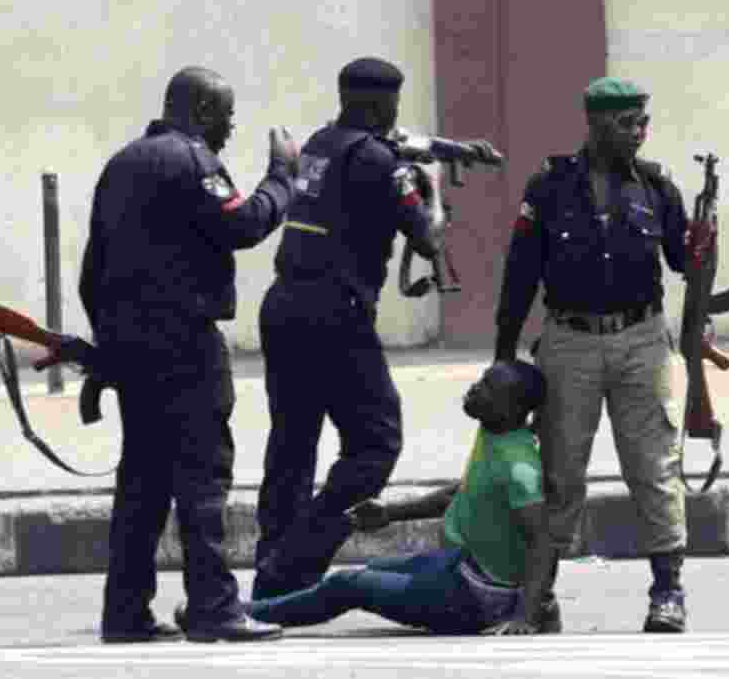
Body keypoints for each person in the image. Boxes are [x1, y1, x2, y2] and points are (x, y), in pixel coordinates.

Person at [78, 65, 299, 643]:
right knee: (202, 479)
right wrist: (283, 175)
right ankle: (214, 609)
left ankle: (124, 614)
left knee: (142, 483)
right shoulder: (191, 160)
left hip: (132, 346)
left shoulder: (121, 164)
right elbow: (245, 224)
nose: (229, 129)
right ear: (201, 111)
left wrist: (110, 347)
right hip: (184, 345)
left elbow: (91, 271)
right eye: (225, 116)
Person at [493, 76, 715, 633]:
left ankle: (668, 592)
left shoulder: (658, 187)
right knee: (560, 472)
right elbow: (520, 273)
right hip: (568, 342)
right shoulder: (549, 187)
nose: (639, 133)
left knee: (653, 468)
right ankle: (541, 595)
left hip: (642, 339)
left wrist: (703, 252)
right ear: (593, 124)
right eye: (626, 124)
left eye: (643, 122)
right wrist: (503, 352)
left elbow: (686, 268)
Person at [248, 57, 451, 600]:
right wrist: (433, 188)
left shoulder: (321, 143)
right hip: (335, 312)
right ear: (383, 104)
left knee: (292, 444)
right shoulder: (382, 162)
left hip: (285, 304)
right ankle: (294, 564)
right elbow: (429, 239)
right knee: (375, 443)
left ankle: (272, 562)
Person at [183, 360, 555, 635]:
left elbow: (542, 540)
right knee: (372, 572)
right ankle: (239, 612)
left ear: (514, 410)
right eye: (481, 380)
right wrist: (389, 513)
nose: (476, 389)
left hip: (477, 597)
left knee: (348, 585)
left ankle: (237, 613)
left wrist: (526, 615)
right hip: (461, 564)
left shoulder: (518, 467)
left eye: (489, 389)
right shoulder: (494, 432)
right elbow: (462, 494)